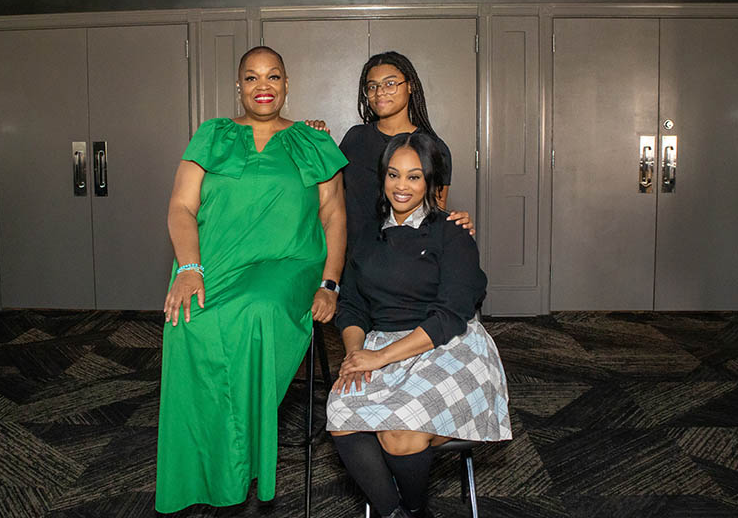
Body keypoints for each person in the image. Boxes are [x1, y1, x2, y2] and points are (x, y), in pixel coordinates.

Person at [155, 46, 348, 513]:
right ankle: (206, 465)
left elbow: (335, 218)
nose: (263, 86)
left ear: (287, 85)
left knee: (256, 310)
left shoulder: (313, 142)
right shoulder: (212, 135)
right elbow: (181, 207)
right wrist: (188, 269)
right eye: (251, 78)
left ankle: (241, 459)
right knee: (186, 321)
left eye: (273, 76)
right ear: (238, 87)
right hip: (213, 261)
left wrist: (329, 282)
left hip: (289, 261)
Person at [326, 133, 511, 518]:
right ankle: (400, 514)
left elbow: (450, 315)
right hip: (380, 346)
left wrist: (378, 358)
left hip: (448, 345)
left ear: (429, 181)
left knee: (401, 434)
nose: (401, 186)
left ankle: (413, 508)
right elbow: (354, 307)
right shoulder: (367, 237)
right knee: (341, 412)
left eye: (414, 177)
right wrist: (356, 352)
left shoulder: (453, 232)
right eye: (393, 175)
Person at [307, 51, 469, 249]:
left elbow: (435, 215)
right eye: (372, 86)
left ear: (410, 86)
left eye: (390, 83)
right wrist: (315, 140)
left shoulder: (433, 147)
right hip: (352, 258)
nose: (380, 92)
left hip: (404, 261)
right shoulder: (355, 138)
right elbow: (331, 196)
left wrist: (457, 225)